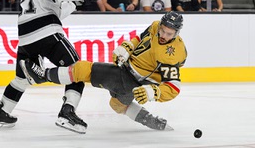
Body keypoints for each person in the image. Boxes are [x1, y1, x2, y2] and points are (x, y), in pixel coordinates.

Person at [20, 11, 187, 132]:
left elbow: (173, 87)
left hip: (132, 81)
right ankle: (152, 121)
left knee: (83, 69)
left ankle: (41, 76)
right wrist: (127, 47)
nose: (163, 34)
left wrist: (154, 92)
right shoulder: (156, 26)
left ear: (177, 33)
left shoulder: (173, 54)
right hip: (125, 70)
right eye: (163, 30)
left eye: (169, 33)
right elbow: (140, 39)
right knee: (117, 104)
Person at [0, 0, 88, 134]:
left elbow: (55, 10)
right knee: (78, 70)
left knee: (20, 79)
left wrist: (75, 3)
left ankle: (2, 113)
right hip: (46, 31)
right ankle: (67, 112)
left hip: (26, 37)